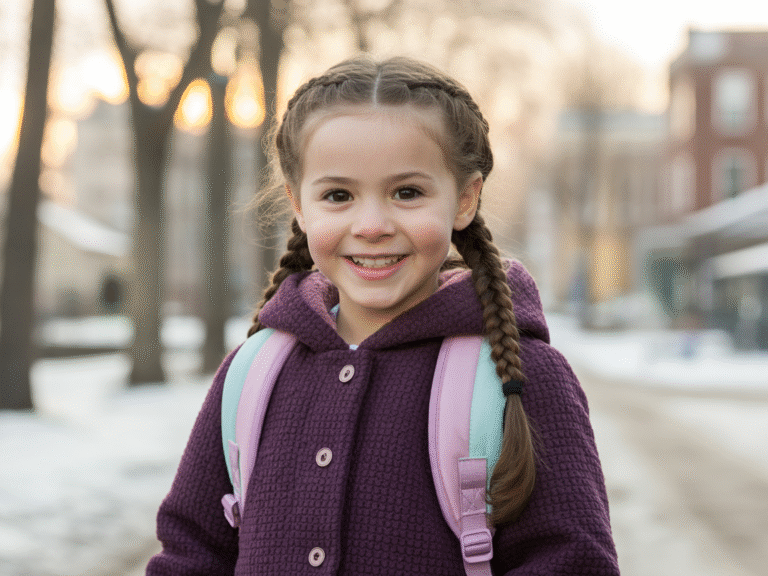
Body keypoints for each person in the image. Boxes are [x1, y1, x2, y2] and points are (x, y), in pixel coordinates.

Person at [146, 56, 620, 575]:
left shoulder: (519, 377)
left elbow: (574, 563)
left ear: (465, 199)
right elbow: (189, 553)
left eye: (407, 193)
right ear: (299, 205)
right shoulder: (253, 371)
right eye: (338, 195)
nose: (372, 225)